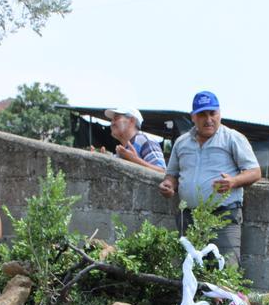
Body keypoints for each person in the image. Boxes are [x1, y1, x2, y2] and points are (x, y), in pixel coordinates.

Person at [158, 91, 261, 267]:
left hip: (223, 215)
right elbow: (172, 174)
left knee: (225, 269)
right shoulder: (181, 142)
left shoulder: (232, 138)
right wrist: (168, 185)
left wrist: (234, 182)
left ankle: (222, 296)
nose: (209, 119)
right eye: (202, 114)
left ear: (219, 113)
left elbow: (255, 171)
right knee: (192, 269)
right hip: (189, 216)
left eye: (212, 113)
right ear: (193, 117)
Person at [104, 107, 165, 173]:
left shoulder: (145, 141)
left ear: (132, 120)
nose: (112, 123)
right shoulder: (124, 149)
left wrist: (134, 159)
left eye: (116, 118)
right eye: (111, 120)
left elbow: (162, 171)